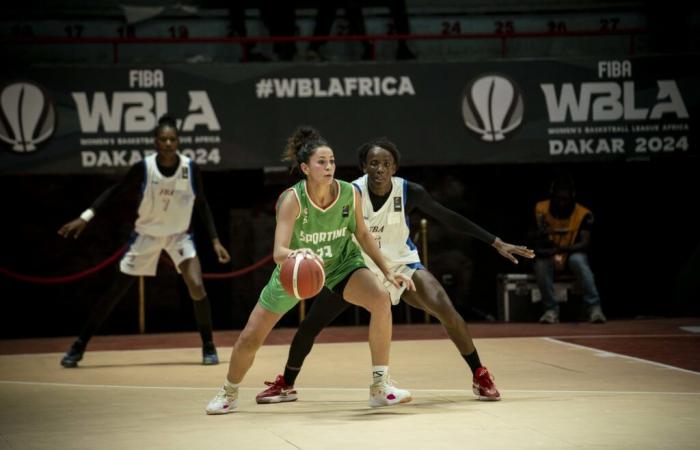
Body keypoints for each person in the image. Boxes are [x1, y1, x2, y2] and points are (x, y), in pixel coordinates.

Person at [254, 137, 535, 405]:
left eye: (386, 163)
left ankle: (479, 374)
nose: (379, 169)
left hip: (402, 265)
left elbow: (447, 217)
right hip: (357, 268)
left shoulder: (409, 191)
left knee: (446, 310)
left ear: (394, 167)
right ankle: (286, 382)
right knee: (311, 325)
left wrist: (495, 242)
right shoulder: (349, 191)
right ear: (364, 167)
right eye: (373, 163)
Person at [205, 127, 416, 415]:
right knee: (250, 337)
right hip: (297, 270)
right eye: (321, 162)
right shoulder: (292, 199)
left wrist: (387, 270)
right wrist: (298, 253)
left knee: (380, 299)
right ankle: (229, 391)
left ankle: (380, 387)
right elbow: (279, 251)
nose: (329, 167)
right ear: (305, 168)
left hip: (342, 264)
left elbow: (364, 235)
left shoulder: (348, 193)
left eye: (331, 161)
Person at [57, 115, 231, 367]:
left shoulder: (190, 167)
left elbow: (201, 202)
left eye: (173, 139)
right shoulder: (144, 167)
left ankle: (208, 346)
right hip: (146, 235)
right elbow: (114, 191)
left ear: (178, 141)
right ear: (156, 143)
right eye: (163, 139)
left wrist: (215, 240)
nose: (169, 143)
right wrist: (86, 217)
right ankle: (79, 346)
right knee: (115, 292)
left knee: (196, 284)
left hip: (179, 235)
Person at [533, 174, 606, 324]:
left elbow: (585, 243)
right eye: (558, 198)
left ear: (572, 196)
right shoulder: (541, 209)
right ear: (552, 196)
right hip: (550, 254)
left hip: (571, 253)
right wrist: (544, 241)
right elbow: (533, 238)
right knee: (540, 264)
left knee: (578, 261)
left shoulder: (584, 214)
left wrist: (563, 248)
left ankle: (594, 308)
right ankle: (551, 310)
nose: (561, 202)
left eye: (565, 199)